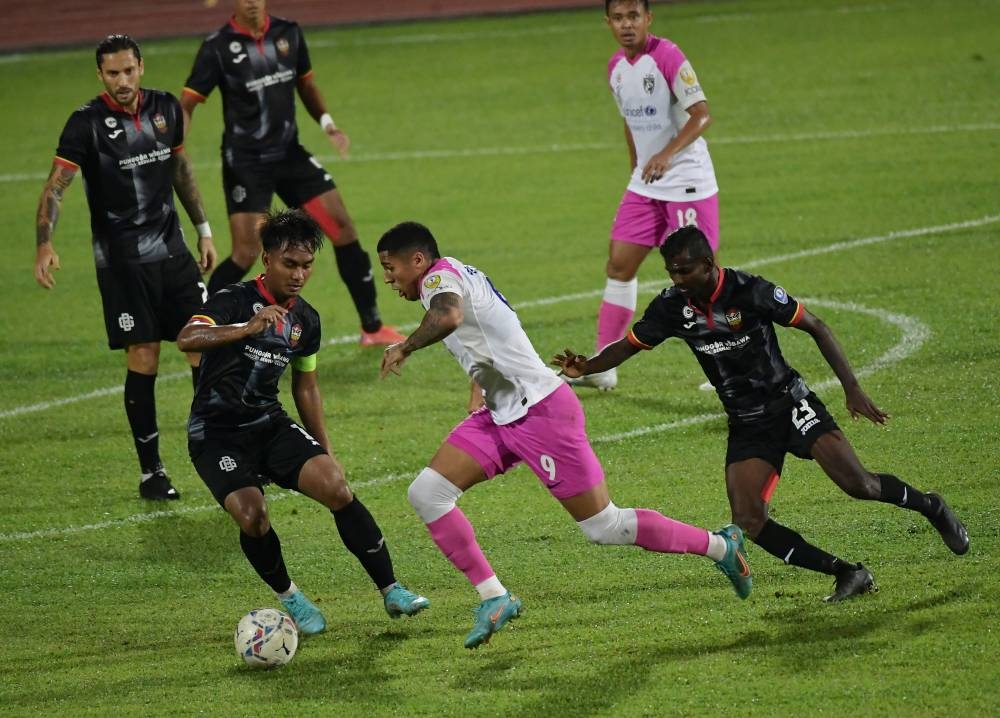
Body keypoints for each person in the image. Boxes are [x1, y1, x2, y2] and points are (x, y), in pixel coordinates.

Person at [376, 221, 751, 650]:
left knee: (603, 526)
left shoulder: (439, 280)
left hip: (542, 415)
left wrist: (404, 346)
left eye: (390, 268)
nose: (389, 278)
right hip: (501, 415)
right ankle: (496, 597)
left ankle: (721, 547)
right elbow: (492, 329)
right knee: (427, 493)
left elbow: (451, 316)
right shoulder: (457, 272)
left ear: (418, 261)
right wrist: (480, 386)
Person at [555, 225, 970, 602]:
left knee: (858, 484)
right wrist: (588, 367)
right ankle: (847, 572)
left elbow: (817, 327)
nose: (676, 280)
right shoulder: (671, 307)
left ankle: (932, 506)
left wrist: (852, 388)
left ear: (707, 265)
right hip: (746, 422)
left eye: (684, 271)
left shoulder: (749, 291)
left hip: (790, 403)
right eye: (671, 272)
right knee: (749, 520)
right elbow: (629, 345)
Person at [176, 209, 428, 634]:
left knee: (337, 487)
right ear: (267, 259)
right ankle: (291, 598)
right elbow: (187, 337)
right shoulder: (232, 300)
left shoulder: (305, 320)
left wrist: (324, 449)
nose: (298, 274)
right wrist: (244, 328)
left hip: (268, 424)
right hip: (217, 434)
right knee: (253, 516)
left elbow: (306, 387)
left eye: (306, 265)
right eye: (289, 264)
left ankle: (392, 590)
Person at [34, 34, 217, 501]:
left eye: (128, 71)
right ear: (100, 75)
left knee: (201, 345)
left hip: (173, 253)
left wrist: (204, 228)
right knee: (145, 357)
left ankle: (214, 452)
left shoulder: (167, 109)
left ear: (141, 66)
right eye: (112, 73)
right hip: (122, 262)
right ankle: (151, 472)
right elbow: (57, 187)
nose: (122, 80)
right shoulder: (85, 124)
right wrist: (44, 242)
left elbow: (180, 170)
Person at [180, 0, 404, 346]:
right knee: (246, 251)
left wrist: (327, 123)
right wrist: (175, 145)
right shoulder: (218, 48)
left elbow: (306, 83)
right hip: (246, 160)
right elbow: (188, 103)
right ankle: (202, 324)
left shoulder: (289, 33)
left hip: (289, 154)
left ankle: (372, 329)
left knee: (342, 227)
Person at [572, 0, 720, 391]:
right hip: (646, 182)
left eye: (633, 17)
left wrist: (665, 155)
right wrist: (636, 166)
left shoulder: (668, 56)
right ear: (608, 22)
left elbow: (702, 114)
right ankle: (603, 363)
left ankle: (727, 365)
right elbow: (629, 121)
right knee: (619, 265)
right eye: (618, 18)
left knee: (696, 275)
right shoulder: (615, 69)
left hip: (686, 179)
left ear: (647, 19)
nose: (626, 25)